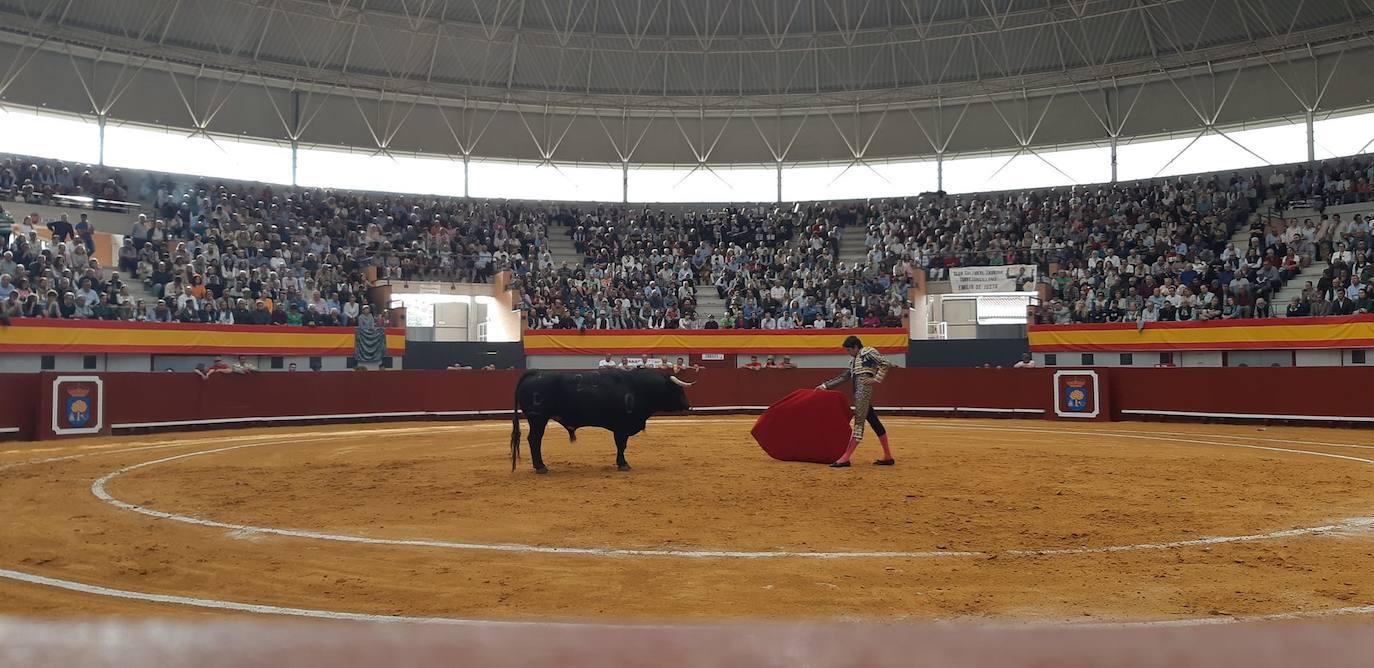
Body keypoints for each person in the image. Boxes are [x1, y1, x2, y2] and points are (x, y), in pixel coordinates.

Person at [816, 335, 895, 468]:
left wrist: (876, 379)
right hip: (858, 392)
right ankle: (888, 456)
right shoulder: (853, 361)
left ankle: (845, 458)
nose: (848, 353)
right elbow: (844, 377)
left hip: (863, 391)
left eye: (849, 350)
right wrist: (824, 386)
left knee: (859, 423)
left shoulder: (868, 352)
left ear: (856, 347)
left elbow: (885, 363)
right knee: (874, 422)